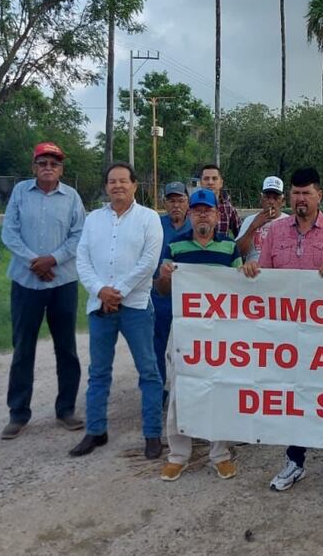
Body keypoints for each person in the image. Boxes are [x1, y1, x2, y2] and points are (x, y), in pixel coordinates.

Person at [241, 167, 323, 499]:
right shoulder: (276, 232)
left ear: (319, 195)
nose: (300, 199)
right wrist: (252, 271)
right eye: (295, 193)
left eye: (306, 193)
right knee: (294, 398)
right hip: (288, 337)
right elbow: (263, 275)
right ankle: (295, 460)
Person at [71, 162, 164, 460]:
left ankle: (152, 434)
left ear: (135, 185)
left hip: (135, 306)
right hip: (100, 306)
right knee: (98, 372)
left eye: (124, 181)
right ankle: (96, 430)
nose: (118, 186)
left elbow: (149, 262)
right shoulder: (93, 219)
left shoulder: (149, 218)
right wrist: (100, 291)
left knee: (148, 372)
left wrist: (118, 291)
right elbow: (82, 258)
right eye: (112, 181)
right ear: (106, 186)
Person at [154, 188, 243, 483]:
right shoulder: (175, 247)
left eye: (208, 210)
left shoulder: (230, 248)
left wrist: (249, 272)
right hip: (185, 330)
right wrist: (164, 277)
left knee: (220, 389)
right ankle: (178, 455)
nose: (203, 214)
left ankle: (219, 454)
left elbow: (240, 289)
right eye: (198, 210)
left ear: (218, 215)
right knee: (180, 389)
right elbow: (162, 291)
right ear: (190, 214)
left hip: (219, 332)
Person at [0, 143, 86, 439]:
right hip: (26, 282)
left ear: (61, 169)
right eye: (43, 162)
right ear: (33, 166)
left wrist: (53, 260)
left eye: (54, 163)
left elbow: (78, 235)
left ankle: (66, 409)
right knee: (23, 348)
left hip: (62, 281)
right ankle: (18, 413)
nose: (48, 167)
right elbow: (8, 232)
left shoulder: (72, 197)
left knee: (66, 348)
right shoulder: (21, 193)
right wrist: (33, 262)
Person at [151, 181, 193, 408]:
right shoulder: (155, 226)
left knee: (188, 347)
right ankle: (157, 392)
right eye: (171, 200)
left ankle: (187, 392)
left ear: (188, 203)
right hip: (160, 295)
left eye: (180, 200)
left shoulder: (195, 225)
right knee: (156, 345)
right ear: (165, 203)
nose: (176, 205)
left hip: (189, 298)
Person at [236, 176, 290, 262]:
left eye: (276, 198)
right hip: (254, 272)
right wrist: (253, 227)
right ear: (261, 199)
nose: (271, 202)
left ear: (283, 201)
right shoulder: (250, 220)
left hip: (280, 272)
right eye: (267, 197)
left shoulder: (290, 222)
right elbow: (238, 252)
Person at [198, 163, 241, 237]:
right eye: (206, 179)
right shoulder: (192, 207)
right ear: (201, 183)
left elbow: (240, 235)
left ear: (221, 183)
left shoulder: (228, 208)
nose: (210, 182)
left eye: (214, 179)